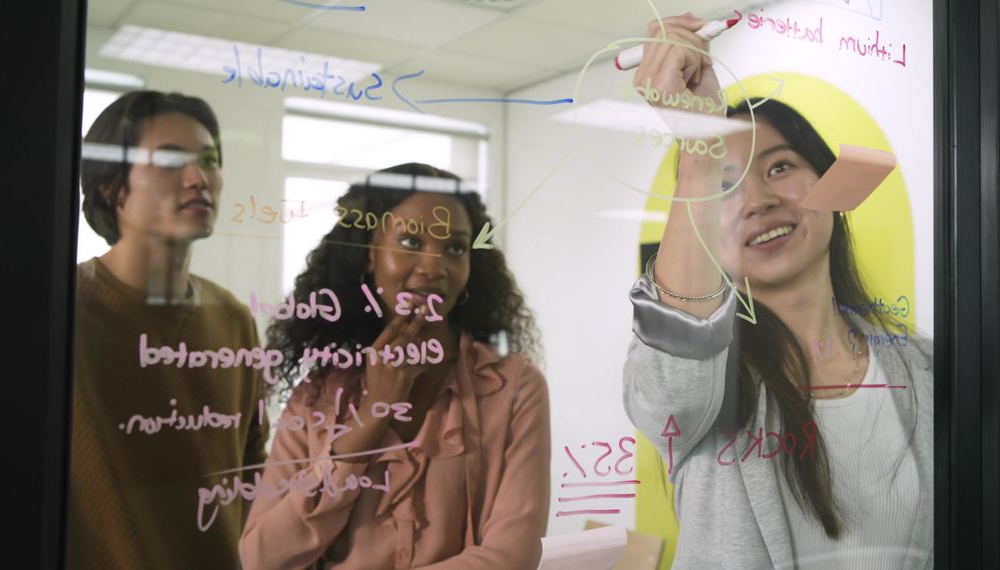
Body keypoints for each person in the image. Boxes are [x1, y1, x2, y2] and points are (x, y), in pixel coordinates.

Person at [621, 14, 934, 569]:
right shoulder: (710, 389)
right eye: (725, 186)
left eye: (781, 166)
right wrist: (699, 150)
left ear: (830, 186)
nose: (757, 200)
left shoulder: (926, 370)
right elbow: (666, 386)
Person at [239, 163, 550, 569]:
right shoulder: (317, 394)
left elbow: (512, 556)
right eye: (410, 241)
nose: (434, 267)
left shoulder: (515, 388)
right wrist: (371, 416)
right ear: (369, 255)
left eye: (455, 248)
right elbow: (260, 557)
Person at [69, 91, 269, 569]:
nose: (200, 178)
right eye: (170, 160)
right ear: (111, 186)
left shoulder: (233, 317)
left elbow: (250, 472)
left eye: (210, 161)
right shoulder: (63, 308)